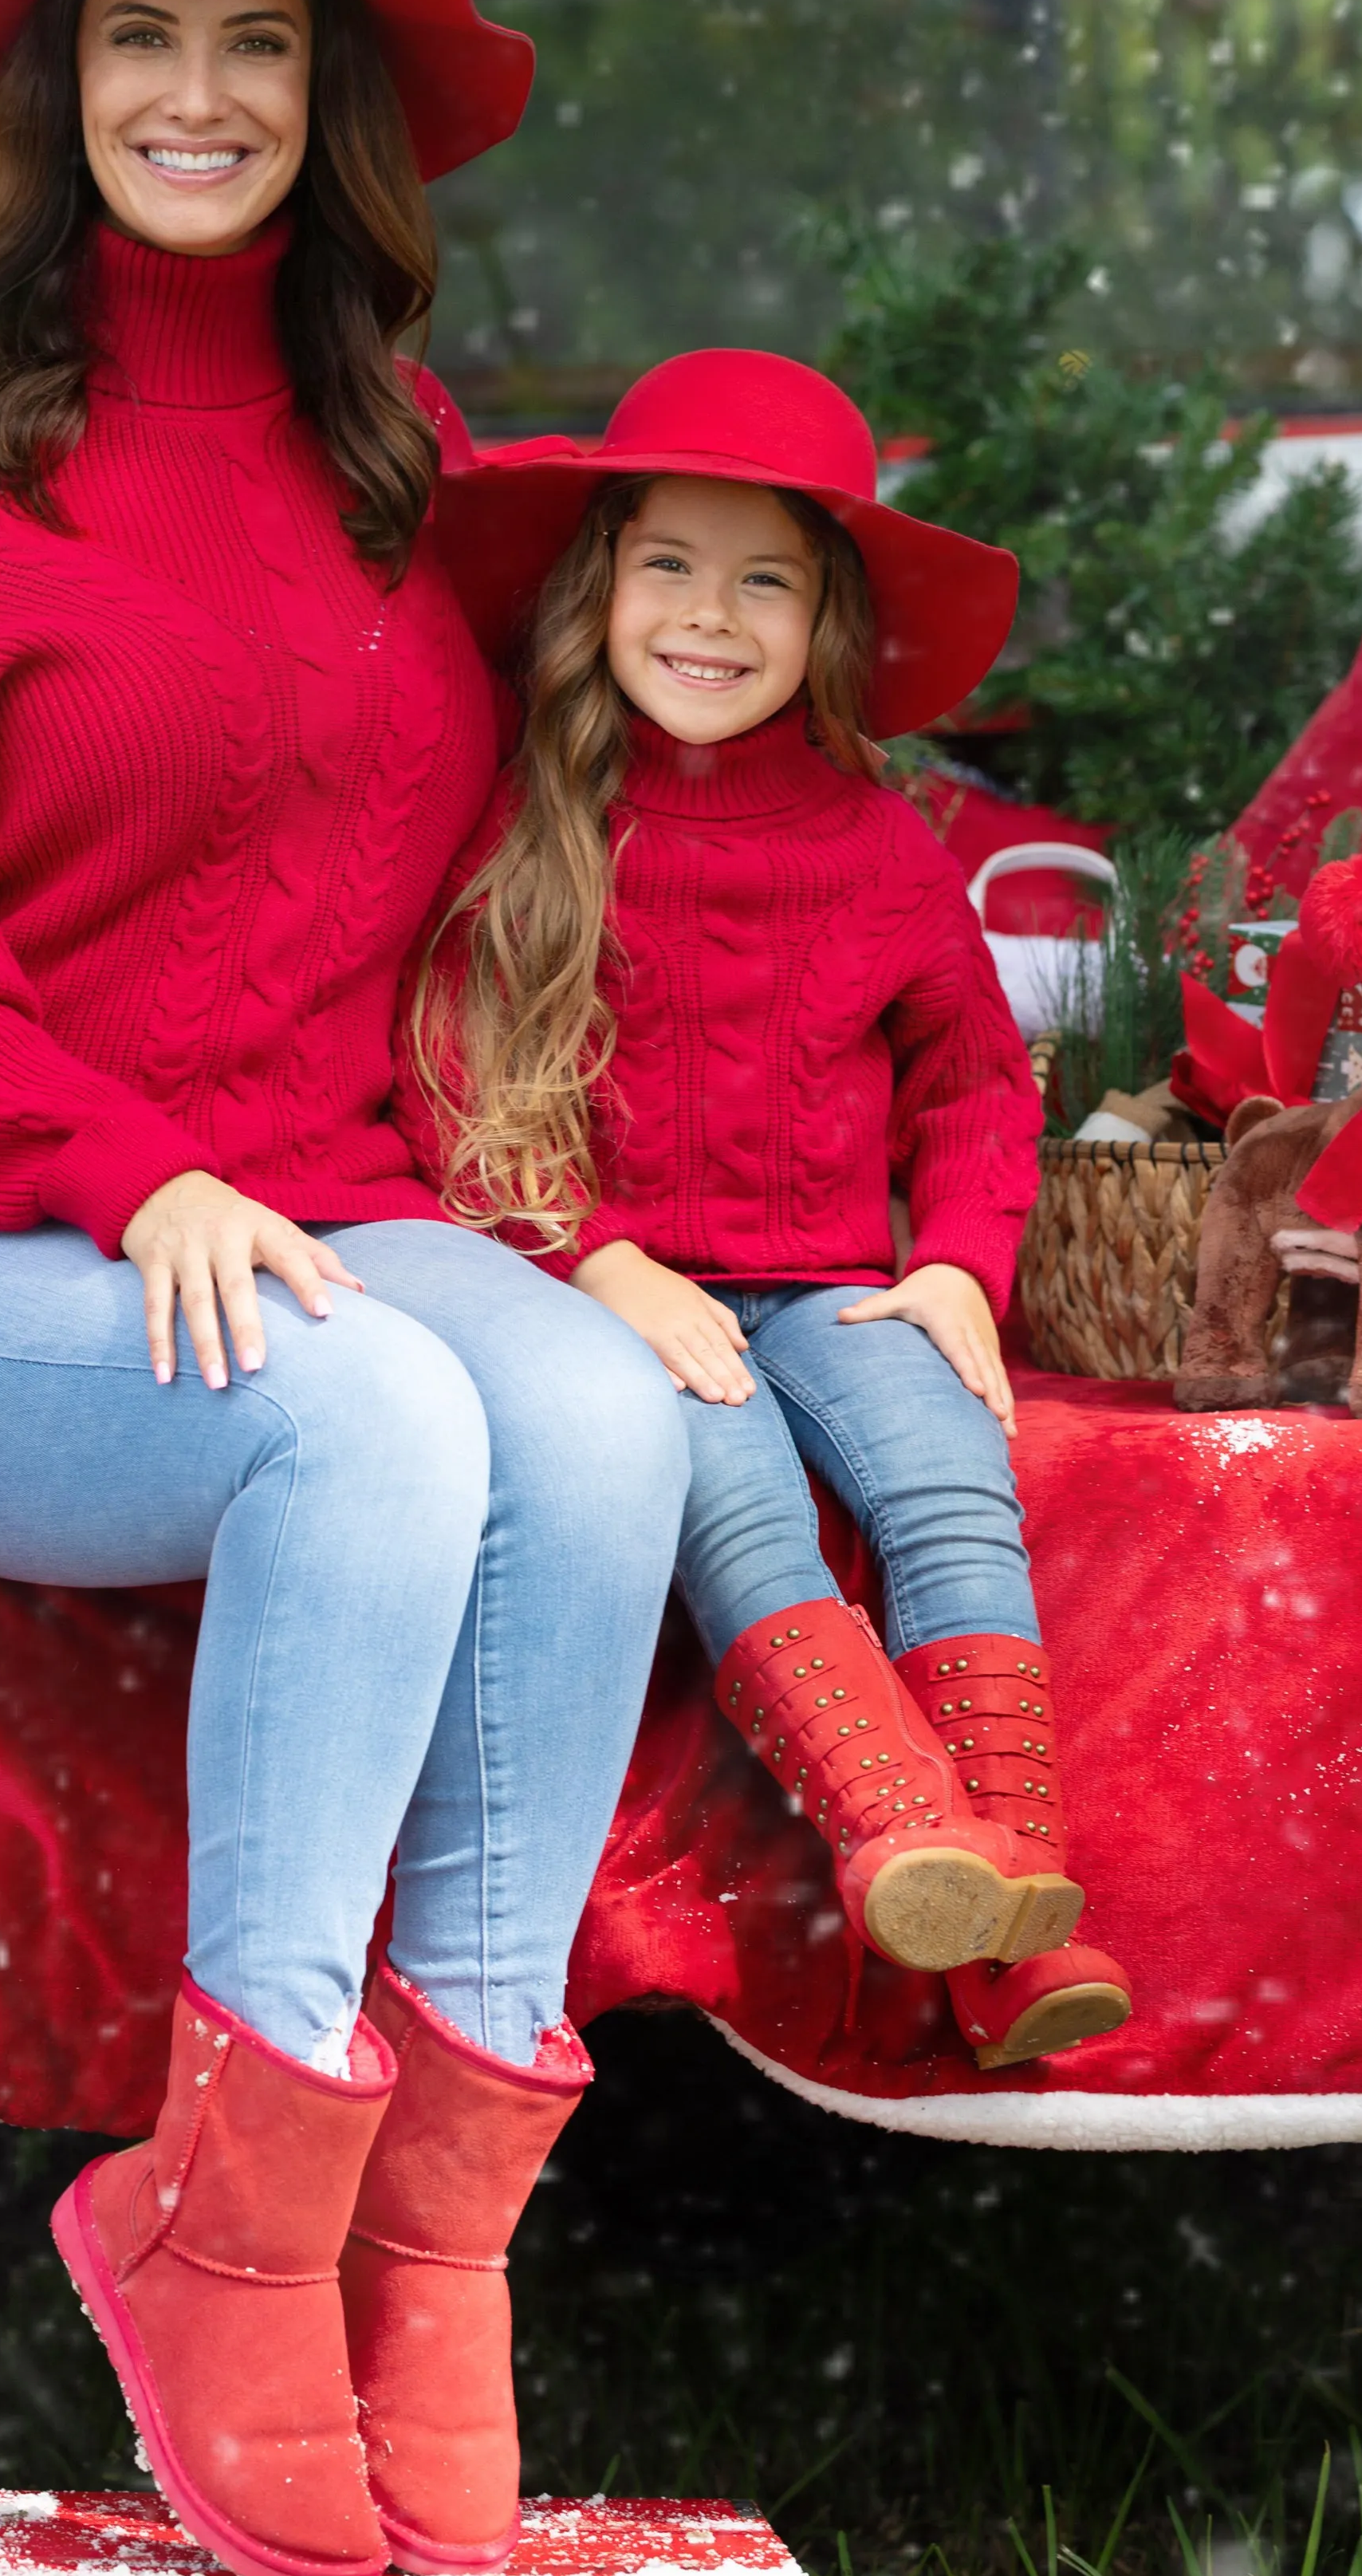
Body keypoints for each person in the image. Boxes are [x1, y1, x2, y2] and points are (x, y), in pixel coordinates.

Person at [0, 0, 691, 2576]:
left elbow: (514, 897)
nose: (199, 93)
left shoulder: (411, 471)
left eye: (260, 43)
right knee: (368, 1421)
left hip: (315, 1206)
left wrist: (617, 1207)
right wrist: (126, 1167)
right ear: (56, 92)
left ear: (332, 107)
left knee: (599, 1427)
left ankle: (434, 2242)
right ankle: (216, 2221)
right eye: (140, 36)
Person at [408, 350, 1134, 2075]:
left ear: (828, 624)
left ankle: (1021, 1906)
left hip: (835, 1282)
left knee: (950, 1470)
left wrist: (964, 1261)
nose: (709, 615)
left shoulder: (886, 847)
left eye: (765, 580)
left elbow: (971, 1076)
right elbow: (451, 1076)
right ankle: (896, 1835)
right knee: (728, 1483)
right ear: (601, 588)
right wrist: (600, 1265)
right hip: (623, 1289)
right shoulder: (536, 819)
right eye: (669, 563)